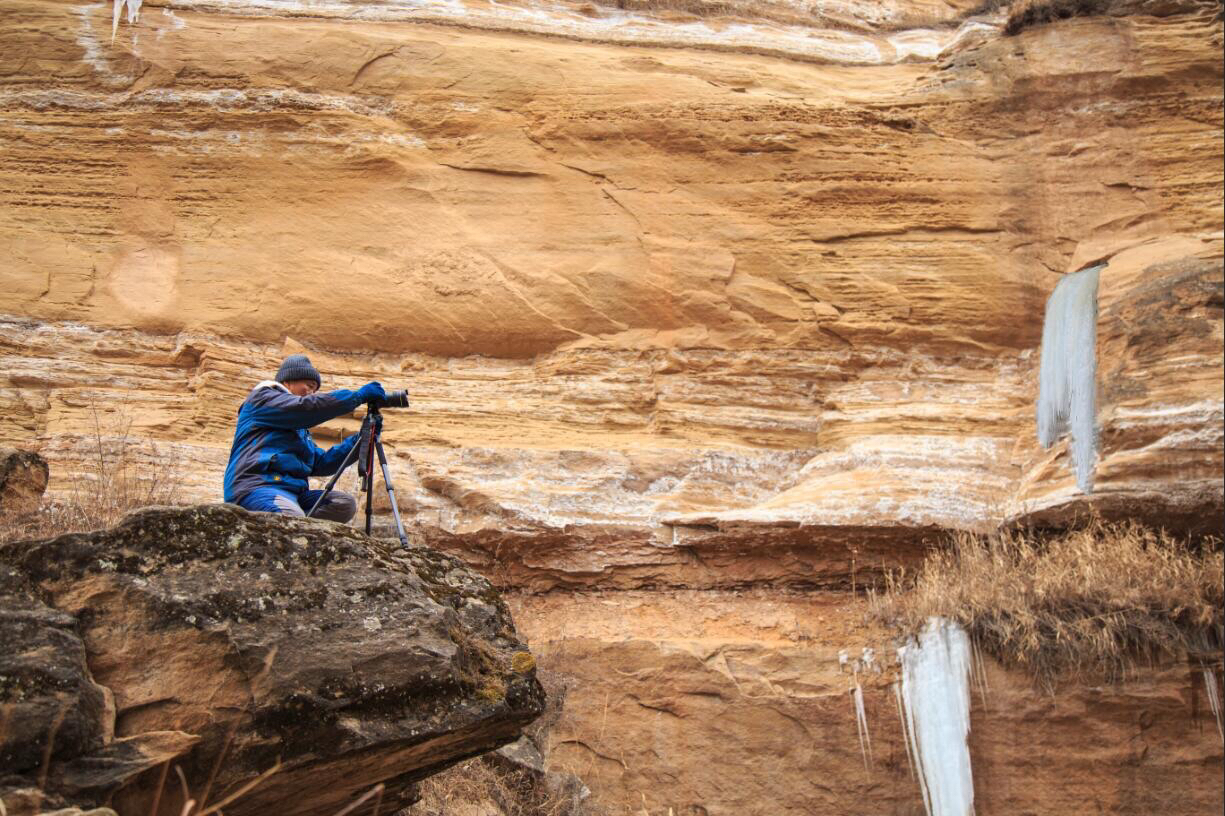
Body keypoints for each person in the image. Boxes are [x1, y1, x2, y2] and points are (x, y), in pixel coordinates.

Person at [223, 354, 385, 521]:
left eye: (315, 390)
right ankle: (293, 524)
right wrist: (357, 396)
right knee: (292, 517)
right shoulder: (262, 399)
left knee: (342, 504)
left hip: (293, 492)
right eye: (309, 386)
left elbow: (321, 463)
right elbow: (306, 407)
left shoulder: (299, 428)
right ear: (288, 381)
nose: (311, 393)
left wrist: (363, 438)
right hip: (257, 486)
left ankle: (296, 526)